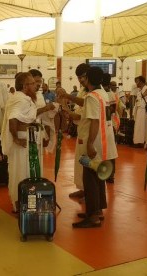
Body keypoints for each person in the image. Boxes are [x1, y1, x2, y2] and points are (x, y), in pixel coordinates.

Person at [72, 66, 118, 228]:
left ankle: (92, 216)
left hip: (95, 142)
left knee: (90, 178)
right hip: (105, 141)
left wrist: (90, 144)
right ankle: (97, 210)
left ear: (89, 79)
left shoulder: (92, 97)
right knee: (99, 177)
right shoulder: (102, 94)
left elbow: (94, 121)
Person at [0, 72, 38, 213]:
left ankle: (23, 201)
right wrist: (16, 138)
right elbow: (13, 118)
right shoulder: (21, 100)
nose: (36, 86)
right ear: (25, 85)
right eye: (32, 83)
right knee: (22, 171)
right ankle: (20, 202)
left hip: (24, 137)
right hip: (22, 139)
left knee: (21, 170)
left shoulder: (21, 98)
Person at [56, 64, 90, 199]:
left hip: (89, 134)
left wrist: (67, 97)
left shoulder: (94, 92)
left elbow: (83, 105)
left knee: (87, 164)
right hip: (82, 131)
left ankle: (89, 192)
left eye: (82, 77)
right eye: (79, 77)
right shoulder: (83, 89)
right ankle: (82, 188)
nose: (80, 80)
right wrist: (65, 107)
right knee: (80, 162)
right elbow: (77, 111)